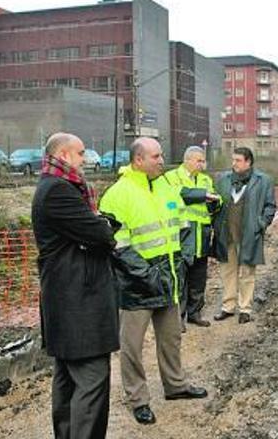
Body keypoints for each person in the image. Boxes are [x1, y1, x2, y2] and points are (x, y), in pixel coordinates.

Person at [99, 137, 207, 425]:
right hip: (137, 283)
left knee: (171, 338)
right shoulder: (117, 194)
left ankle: (176, 385)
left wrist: (182, 261)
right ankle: (138, 399)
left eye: (161, 155)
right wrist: (147, 275)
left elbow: (182, 224)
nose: (162, 161)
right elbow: (116, 244)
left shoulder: (166, 186)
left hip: (169, 275)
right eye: (156, 156)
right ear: (138, 160)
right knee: (132, 346)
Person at [31, 133, 120, 438]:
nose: (87, 159)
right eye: (82, 153)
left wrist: (98, 225)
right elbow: (101, 235)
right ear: (64, 155)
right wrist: (103, 226)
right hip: (77, 304)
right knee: (92, 381)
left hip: (68, 299)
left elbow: (93, 229)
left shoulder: (54, 187)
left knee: (67, 378)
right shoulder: (58, 190)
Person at [212, 147, 277, 324]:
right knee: (228, 271)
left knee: (247, 271)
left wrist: (261, 224)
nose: (234, 163)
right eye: (233, 160)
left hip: (249, 233)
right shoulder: (223, 180)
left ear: (248, 162)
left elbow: (270, 206)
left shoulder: (263, 181)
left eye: (238, 160)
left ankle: (245, 308)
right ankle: (228, 307)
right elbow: (215, 203)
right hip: (227, 233)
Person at [163, 146, 221, 328]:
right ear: (187, 160)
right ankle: (178, 318)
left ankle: (194, 313)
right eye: (199, 160)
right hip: (182, 235)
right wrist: (204, 195)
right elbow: (181, 194)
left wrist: (216, 202)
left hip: (201, 236)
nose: (202, 164)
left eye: (203, 161)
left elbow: (212, 204)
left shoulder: (205, 179)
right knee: (180, 279)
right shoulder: (172, 177)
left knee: (199, 278)